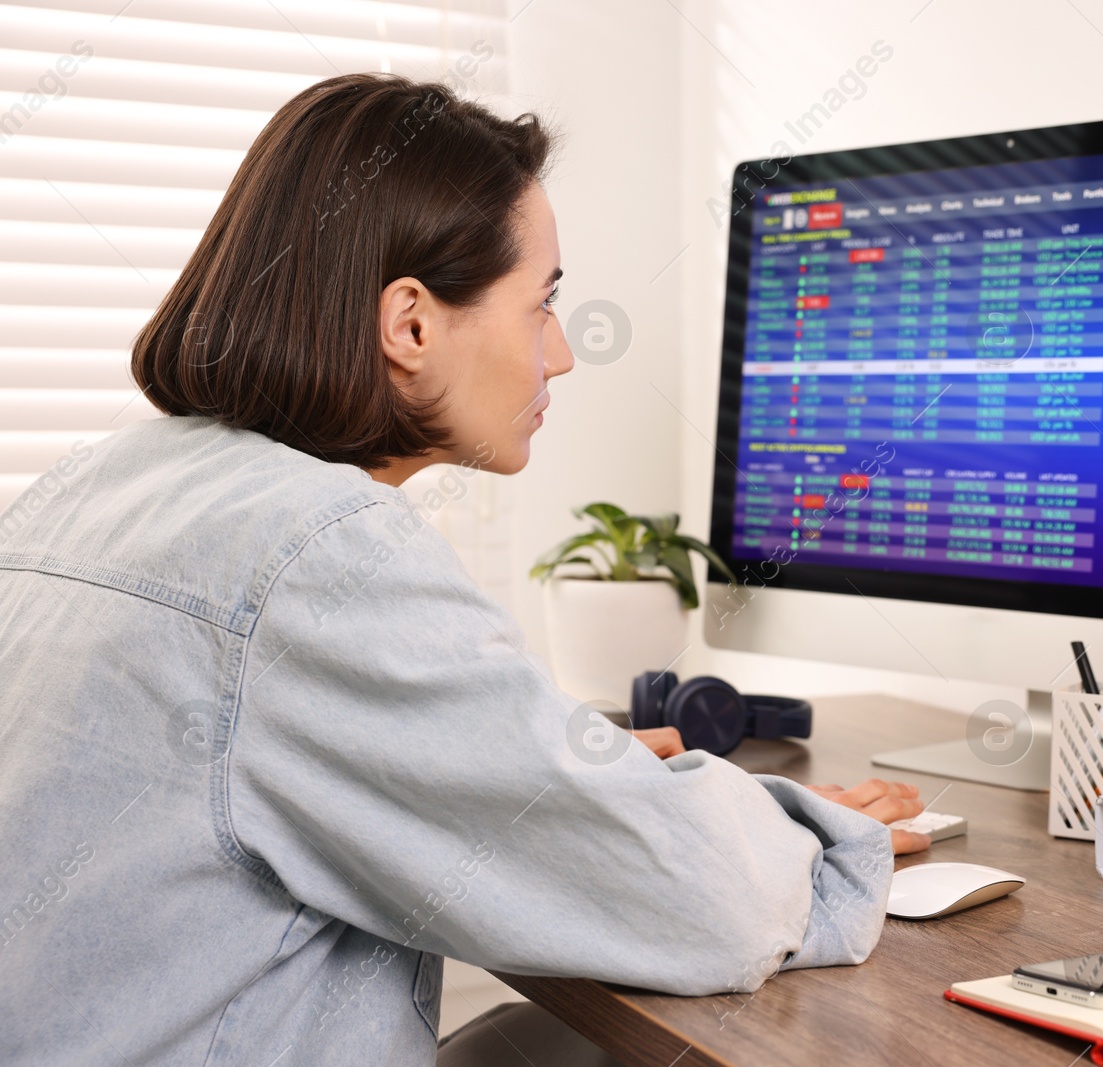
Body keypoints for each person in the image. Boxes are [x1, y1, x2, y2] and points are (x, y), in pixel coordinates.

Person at [0, 73, 931, 1067]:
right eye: (542, 305)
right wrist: (796, 827)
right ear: (411, 324)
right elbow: (715, 903)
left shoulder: (91, 484)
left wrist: (558, 779)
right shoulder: (320, 548)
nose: (561, 355)